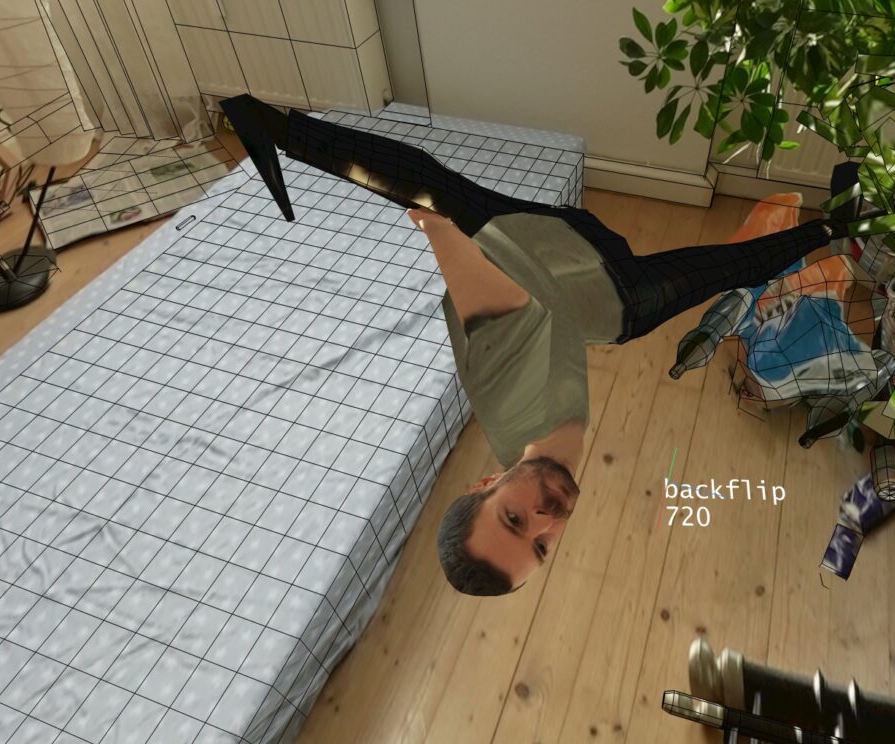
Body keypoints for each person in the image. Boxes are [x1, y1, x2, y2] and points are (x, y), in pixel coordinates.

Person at [221, 94, 848, 596]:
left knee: (726, 267)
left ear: (486, 482)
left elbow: (488, 314)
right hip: (566, 267)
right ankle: (270, 125)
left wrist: (441, 233)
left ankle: (838, 224)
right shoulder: (529, 444)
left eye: (515, 519)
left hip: (587, 274)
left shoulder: (513, 395)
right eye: (541, 546)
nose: (547, 519)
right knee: (729, 267)